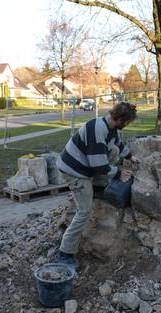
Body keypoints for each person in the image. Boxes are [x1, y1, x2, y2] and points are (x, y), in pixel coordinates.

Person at [56, 102, 139, 271]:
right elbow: (98, 165)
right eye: (127, 122)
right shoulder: (96, 129)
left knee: (114, 150)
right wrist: (118, 173)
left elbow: (119, 145)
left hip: (85, 166)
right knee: (84, 212)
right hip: (73, 171)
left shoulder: (113, 128)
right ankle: (65, 253)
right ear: (121, 119)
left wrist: (131, 157)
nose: (127, 125)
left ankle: (98, 186)